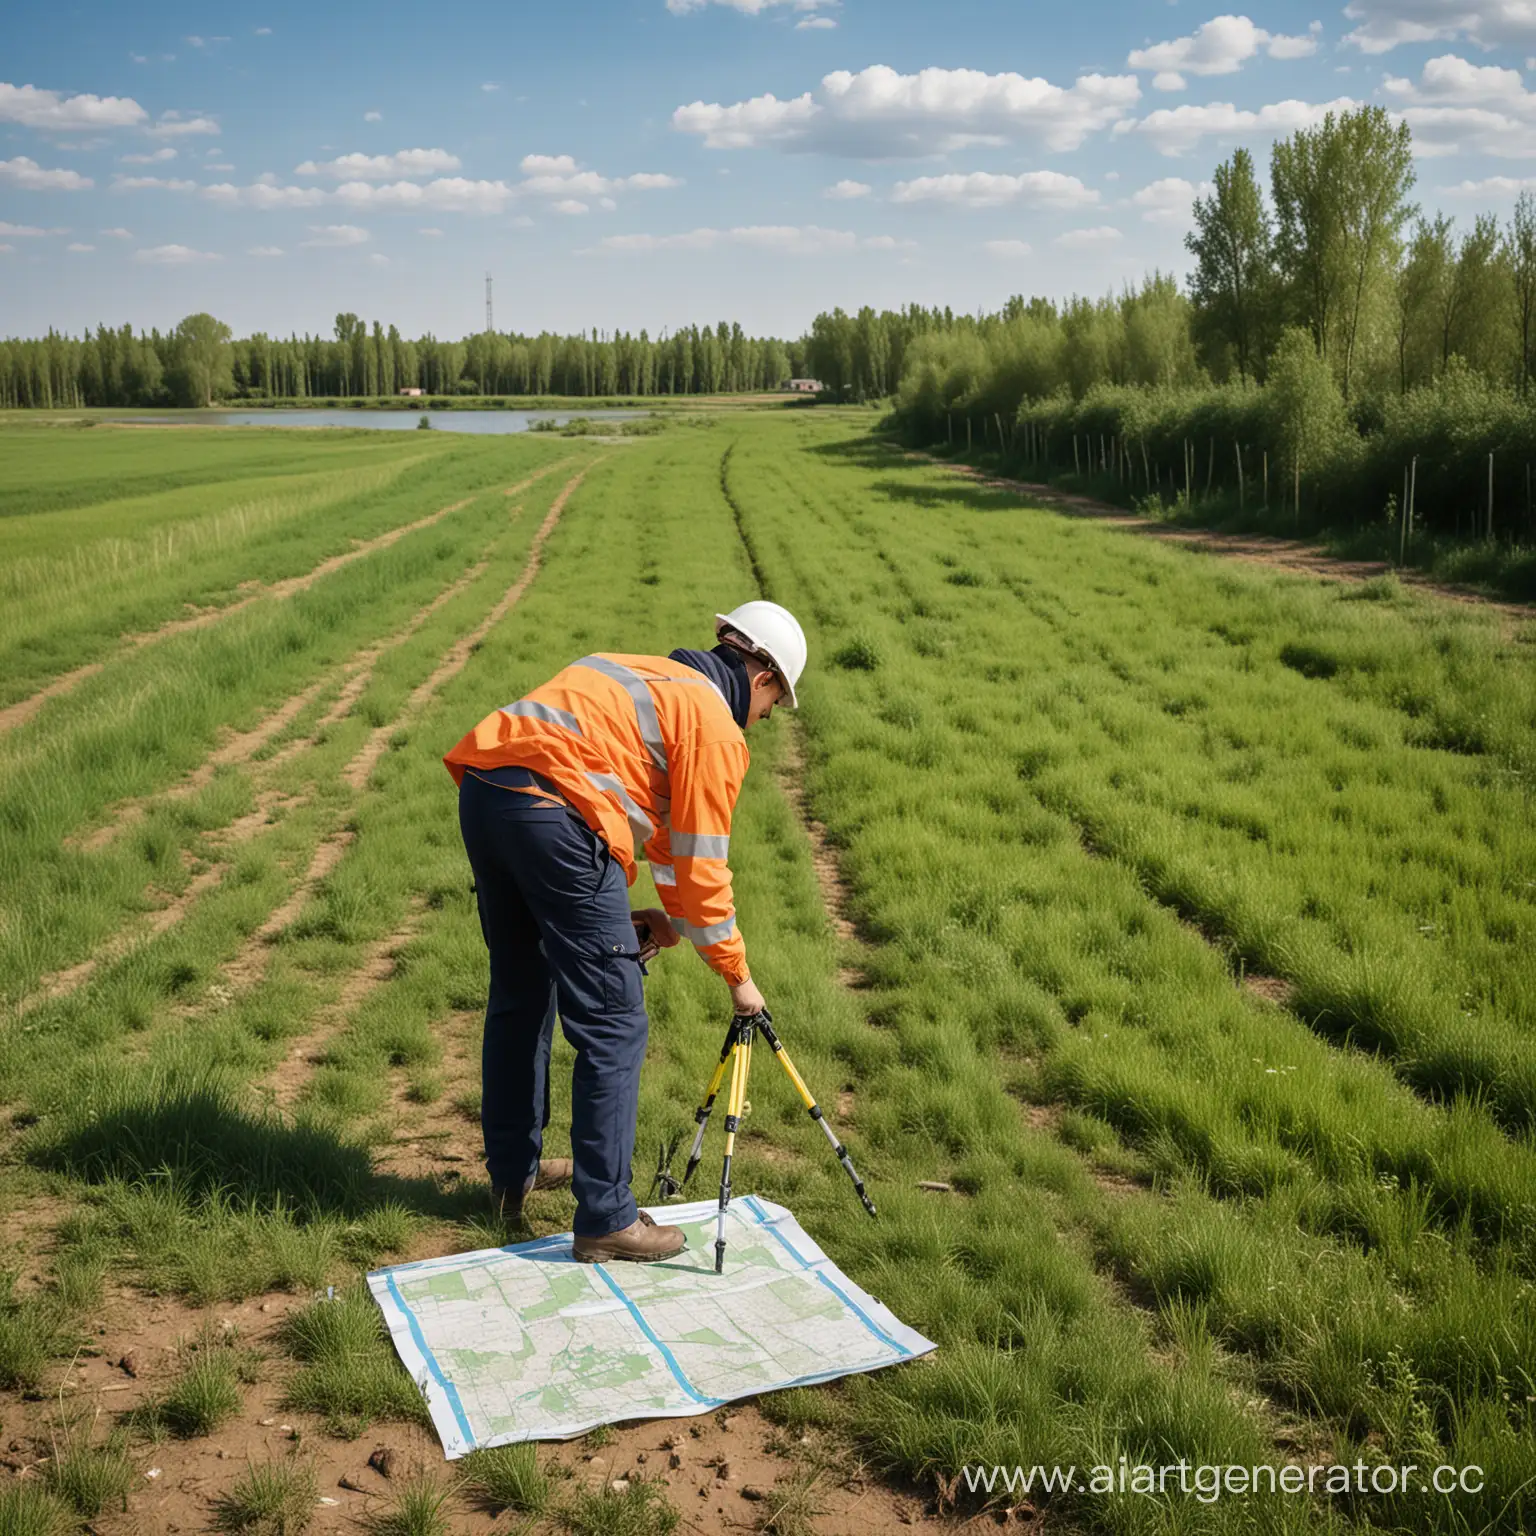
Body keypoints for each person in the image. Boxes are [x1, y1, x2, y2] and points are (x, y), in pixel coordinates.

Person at [443, 601, 808, 1263]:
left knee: (524, 988)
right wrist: (739, 979)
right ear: (762, 678)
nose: (765, 719)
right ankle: (608, 1219)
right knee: (614, 1020)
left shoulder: (642, 675)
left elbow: (667, 846)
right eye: (774, 705)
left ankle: (513, 1172)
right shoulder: (715, 730)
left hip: (488, 792)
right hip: (557, 818)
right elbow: (702, 871)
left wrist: (664, 925)